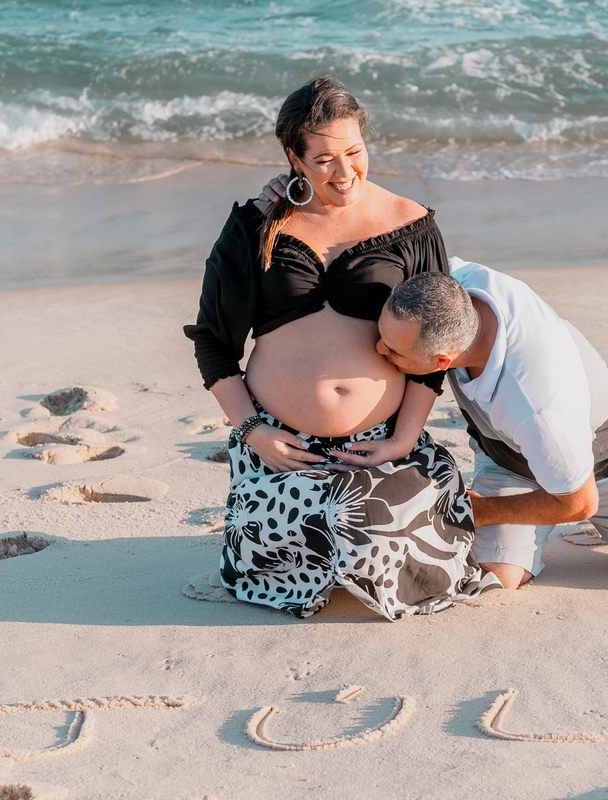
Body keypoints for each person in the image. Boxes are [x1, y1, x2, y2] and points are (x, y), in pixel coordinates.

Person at [183, 77, 497, 620]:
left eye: (354, 152)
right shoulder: (256, 226)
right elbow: (212, 342)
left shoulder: (412, 224)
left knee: (385, 552)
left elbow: (431, 352)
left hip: (377, 445)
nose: (345, 172)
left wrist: (403, 439)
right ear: (293, 157)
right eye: (323, 159)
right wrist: (253, 432)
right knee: (276, 560)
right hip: (280, 446)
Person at [351, 259, 608, 591]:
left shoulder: (536, 405)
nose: (378, 349)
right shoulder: (456, 280)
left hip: (607, 460)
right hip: (507, 459)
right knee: (494, 578)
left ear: (443, 360)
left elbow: (580, 503)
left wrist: (485, 511)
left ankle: (602, 515)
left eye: (392, 350)